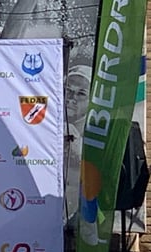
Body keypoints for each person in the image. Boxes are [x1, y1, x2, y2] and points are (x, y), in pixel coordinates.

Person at [64, 64, 92, 224]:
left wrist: (76, 146)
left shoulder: (95, 129)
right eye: (68, 90)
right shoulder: (47, 122)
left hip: (82, 218)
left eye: (81, 94)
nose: (72, 98)